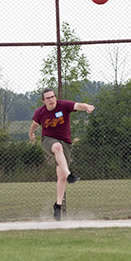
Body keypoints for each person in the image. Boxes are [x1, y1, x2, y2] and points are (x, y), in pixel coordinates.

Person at [29, 88, 95, 220]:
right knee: (57, 147)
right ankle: (70, 174)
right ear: (43, 101)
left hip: (66, 143)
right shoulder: (40, 112)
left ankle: (58, 205)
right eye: (47, 98)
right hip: (48, 140)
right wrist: (31, 134)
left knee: (61, 176)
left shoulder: (63, 105)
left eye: (52, 97)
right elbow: (35, 124)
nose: (51, 100)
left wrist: (87, 106)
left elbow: (77, 105)